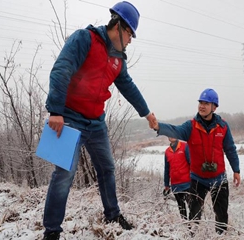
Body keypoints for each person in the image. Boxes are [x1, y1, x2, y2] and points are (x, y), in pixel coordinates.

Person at [42, 2, 156, 240]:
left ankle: (112, 215)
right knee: (64, 173)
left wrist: (147, 113)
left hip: (96, 123)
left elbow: (128, 88)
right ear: (119, 25)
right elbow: (61, 69)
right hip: (69, 117)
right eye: (130, 34)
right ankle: (52, 231)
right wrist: (55, 110)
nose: (131, 40)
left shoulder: (118, 59)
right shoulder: (85, 39)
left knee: (107, 169)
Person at [151, 88, 240, 235]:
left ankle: (221, 237)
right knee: (194, 216)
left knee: (222, 215)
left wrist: (236, 170)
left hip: (219, 179)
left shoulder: (223, 127)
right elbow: (175, 130)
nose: (202, 106)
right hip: (198, 180)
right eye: (200, 102)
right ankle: (193, 236)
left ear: (214, 107)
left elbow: (230, 149)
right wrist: (158, 126)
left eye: (206, 103)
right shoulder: (191, 126)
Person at [163, 137, 191, 220]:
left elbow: (191, 163)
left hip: (187, 184)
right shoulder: (167, 151)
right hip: (175, 185)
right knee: (181, 208)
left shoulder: (185, 146)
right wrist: (166, 184)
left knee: (192, 207)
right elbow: (167, 169)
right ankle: (186, 227)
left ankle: (194, 227)